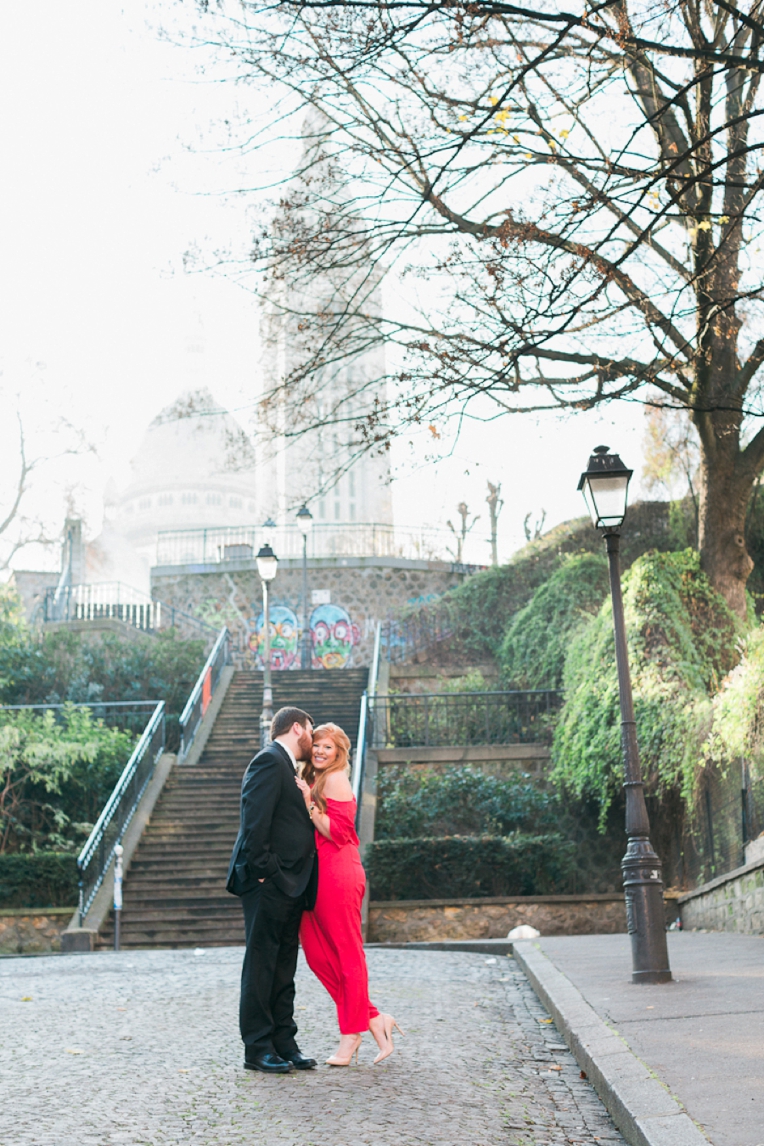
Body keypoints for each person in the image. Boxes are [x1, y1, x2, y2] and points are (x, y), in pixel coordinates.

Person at [296, 723, 403, 1065]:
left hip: (338, 872)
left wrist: (309, 803)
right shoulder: (317, 777)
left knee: (346, 953)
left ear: (339, 752)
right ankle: (373, 1017)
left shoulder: (336, 779)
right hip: (318, 875)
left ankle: (350, 1036)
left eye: (328, 747)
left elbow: (338, 833)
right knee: (316, 954)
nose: (321, 751)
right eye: (317, 746)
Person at [226, 706, 318, 1074]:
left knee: (283, 965)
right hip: (270, 883)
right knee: (262, 964)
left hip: (289, 884)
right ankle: (257, 1047)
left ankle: (284, 1042)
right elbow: (254, 822)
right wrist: (268, 872)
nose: (312, 738)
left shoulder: (286, 766)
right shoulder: (268, 761)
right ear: (297, 728)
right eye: (310, 730)